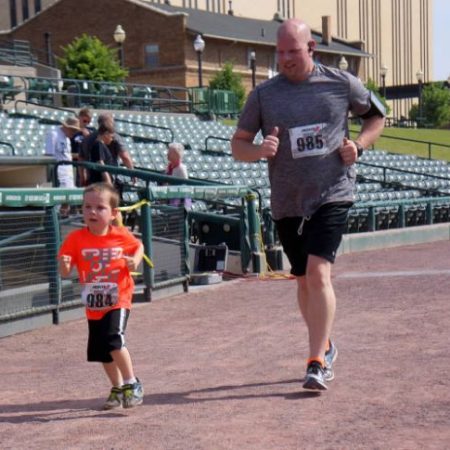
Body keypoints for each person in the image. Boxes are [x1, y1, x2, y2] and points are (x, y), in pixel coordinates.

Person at [231, 18, 386, 391]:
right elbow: (238, 145)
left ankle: (316, 362)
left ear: (311, 48)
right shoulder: (264, 95)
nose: (285, 59)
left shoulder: (341, 83)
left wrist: (359, 145)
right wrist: (259, 150)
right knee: (302, 280)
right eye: (280, 52)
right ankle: (326, 344)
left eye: (293, 51)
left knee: (318, 274)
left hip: (332, 191)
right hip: (288, 200)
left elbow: (377, 116)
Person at [58, 182, 144, 409]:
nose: (92, 212)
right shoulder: (75, 239)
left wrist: (135, 260)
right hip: (94, 302)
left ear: (113, 213)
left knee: (114, 338)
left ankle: (132, 383)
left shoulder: (120, 234)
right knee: (102, 351)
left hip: (119, 297)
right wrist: (65, 264)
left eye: (99, 207)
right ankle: (117, 388)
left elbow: (138, 246)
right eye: (87, 207)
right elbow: (65, 272)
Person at [79, 112, 135, 188]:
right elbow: (124, 157)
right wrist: (132, 173)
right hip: (102, 180)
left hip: (91, 177)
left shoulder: (88, 138)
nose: (112, 139)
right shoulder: (103, 142)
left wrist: (82, 177)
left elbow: (81, 159)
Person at [45, 116, 81, 216]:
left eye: (75, 130)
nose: (74, 132)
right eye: (73, 129)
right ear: (66, 127)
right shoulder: (53, 135)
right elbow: (49, 156)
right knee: (58, 202)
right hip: (59, 174)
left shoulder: (67, 139)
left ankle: (62, 221)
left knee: (67, 203)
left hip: (68, 174)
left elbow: (66, 156)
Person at [71, 107, 94, 185]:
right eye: (84, 121)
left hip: (85, 165)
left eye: (88, 122)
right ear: (79, 118)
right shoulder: (71, 132)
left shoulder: (90, 132)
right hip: (74, 165)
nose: (86, 124)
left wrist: (88, 137)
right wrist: (79, 155)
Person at [165, 142, 191, 209]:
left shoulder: (181, 169)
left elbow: (185, 187)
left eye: (170, 153)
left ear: (175, 155)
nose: (167, 154)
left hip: (179, 200)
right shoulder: (169, 166)